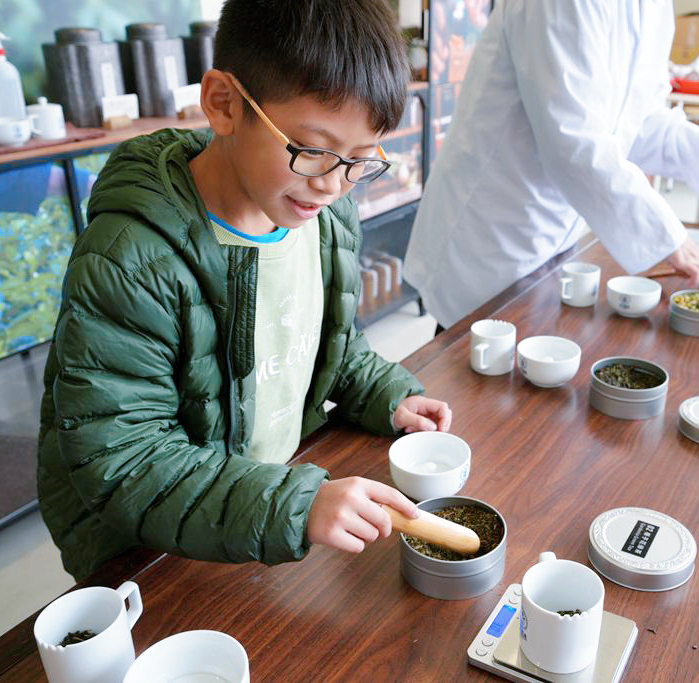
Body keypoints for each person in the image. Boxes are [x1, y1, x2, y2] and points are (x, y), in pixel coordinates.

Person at [37, 0, 451, 581]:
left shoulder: (322, 218)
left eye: (359, 161)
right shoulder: (134, 257)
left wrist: (384, 391)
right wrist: (294, 505)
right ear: (224, 104)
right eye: (313, 150)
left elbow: (320, 339)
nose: (334, 184)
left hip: (257, 512)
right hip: (152, 548)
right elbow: (123, 457)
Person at [403, 0, 699, 330]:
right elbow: (573, 138)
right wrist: (665, 234)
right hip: (491, 232)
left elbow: (639, 119)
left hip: (550, 233)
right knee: (469, 374)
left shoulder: (654, 8)